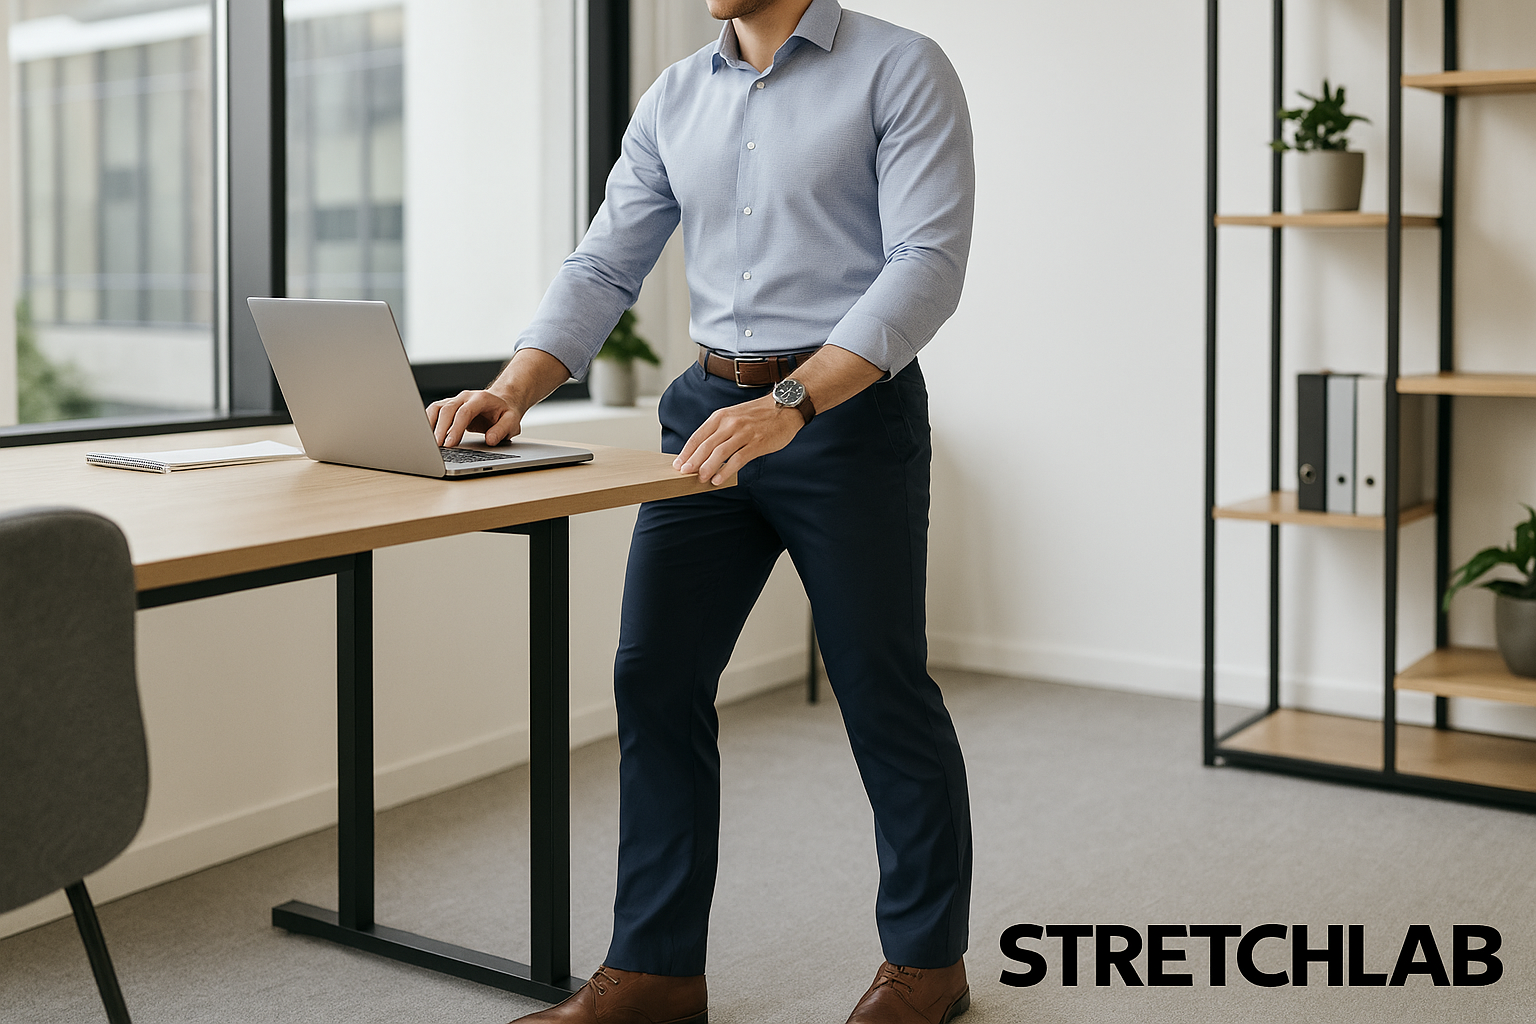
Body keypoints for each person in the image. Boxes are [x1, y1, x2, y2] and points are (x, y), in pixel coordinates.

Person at [428, 1, 974, 1021]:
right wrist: (516, 387)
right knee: (655, 676)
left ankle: (927, 961)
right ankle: (657, 970)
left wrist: (792, 402)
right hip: (706, 412)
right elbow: (605, 262)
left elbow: (927, 267)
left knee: (879, 685)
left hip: (844, 414)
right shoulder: (676, 94)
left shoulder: (901, 69)